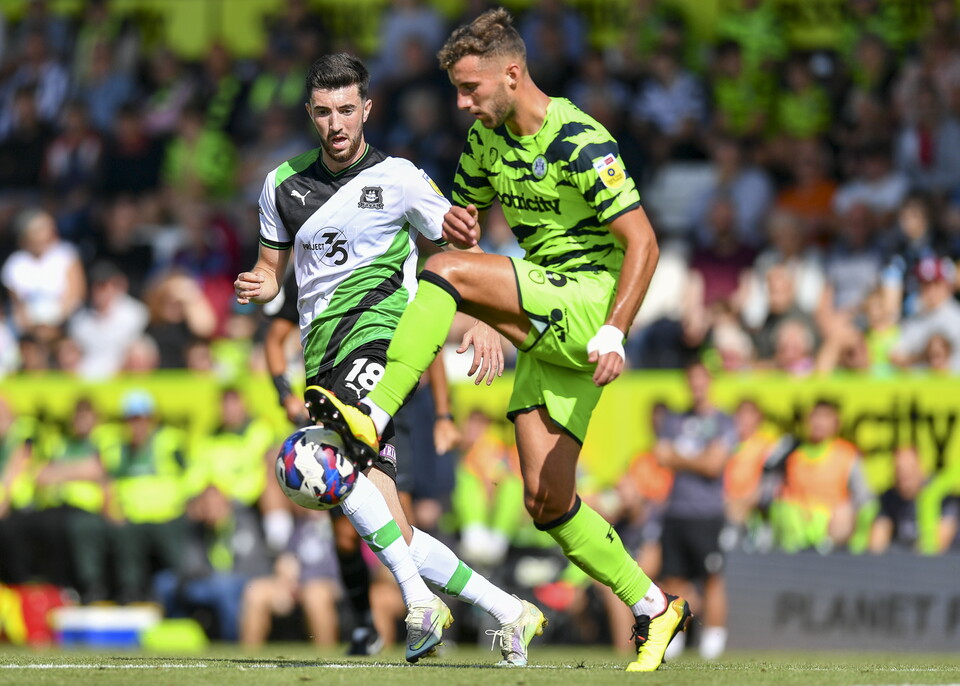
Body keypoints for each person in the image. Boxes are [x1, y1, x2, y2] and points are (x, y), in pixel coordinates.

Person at [293, 10, 688, 672]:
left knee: (440, 274)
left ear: (513, 73)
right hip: (543, 311)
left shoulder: (580, 140)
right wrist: (478, 314)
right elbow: (461, 236)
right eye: (456, 90)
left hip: (592, 303)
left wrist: (616, 327)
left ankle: (377, 412)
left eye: (471, 89)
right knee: (547, 502)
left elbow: (643, 241)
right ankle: (654, 607)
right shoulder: (483, 141)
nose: (461, 102)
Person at [234, 53, 543, 665]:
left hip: (383, 343)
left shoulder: (400, 177)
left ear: (367, 109)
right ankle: (511, 609)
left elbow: (460, 245)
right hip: (321, 357)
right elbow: (273, 275)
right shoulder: (281, 186)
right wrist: (258, 285)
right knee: (387, 522)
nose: (336, 123)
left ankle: (418, 603)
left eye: (347, 109)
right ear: (310, 115)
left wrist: (482, 316)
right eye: (323, 112)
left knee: (308, 459)